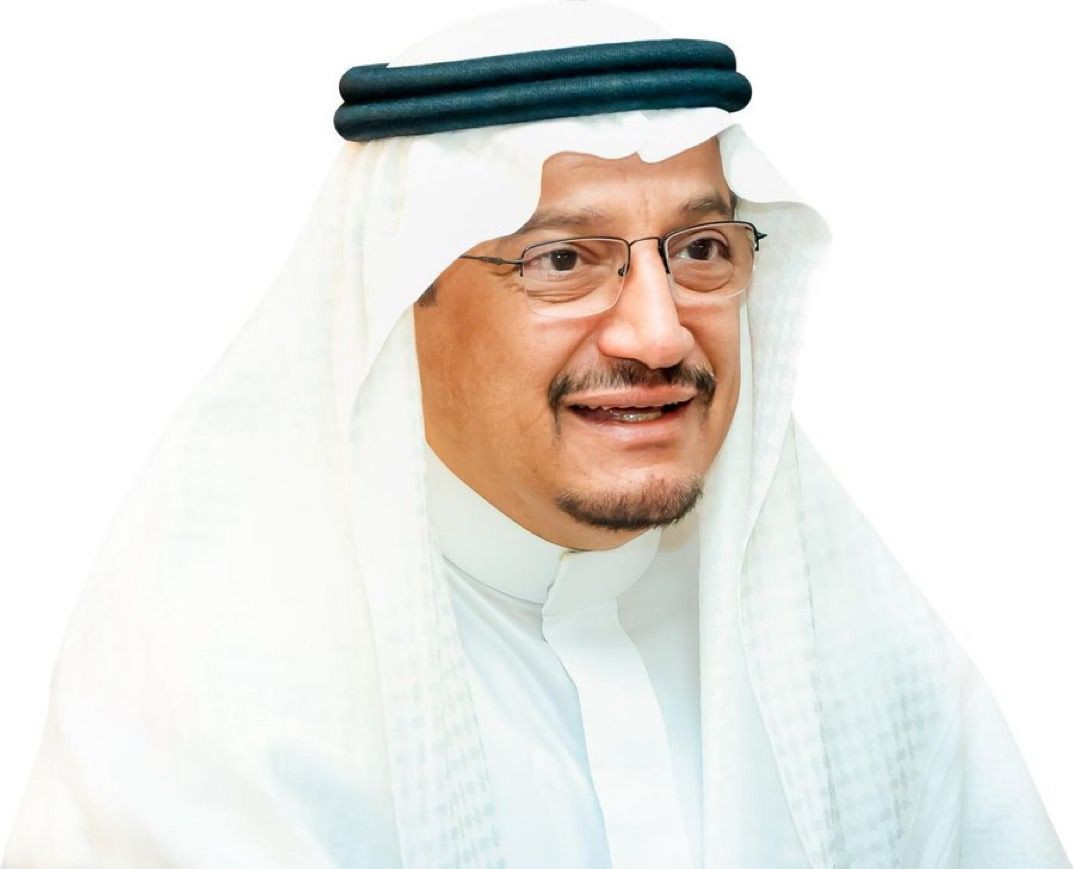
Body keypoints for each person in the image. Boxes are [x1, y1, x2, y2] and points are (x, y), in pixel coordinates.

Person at [3, 2, 1069, 867]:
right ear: (404, 296)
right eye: (561, 261)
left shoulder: (862, 653)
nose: (659, 332)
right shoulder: (218, 706)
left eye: (701, 248)